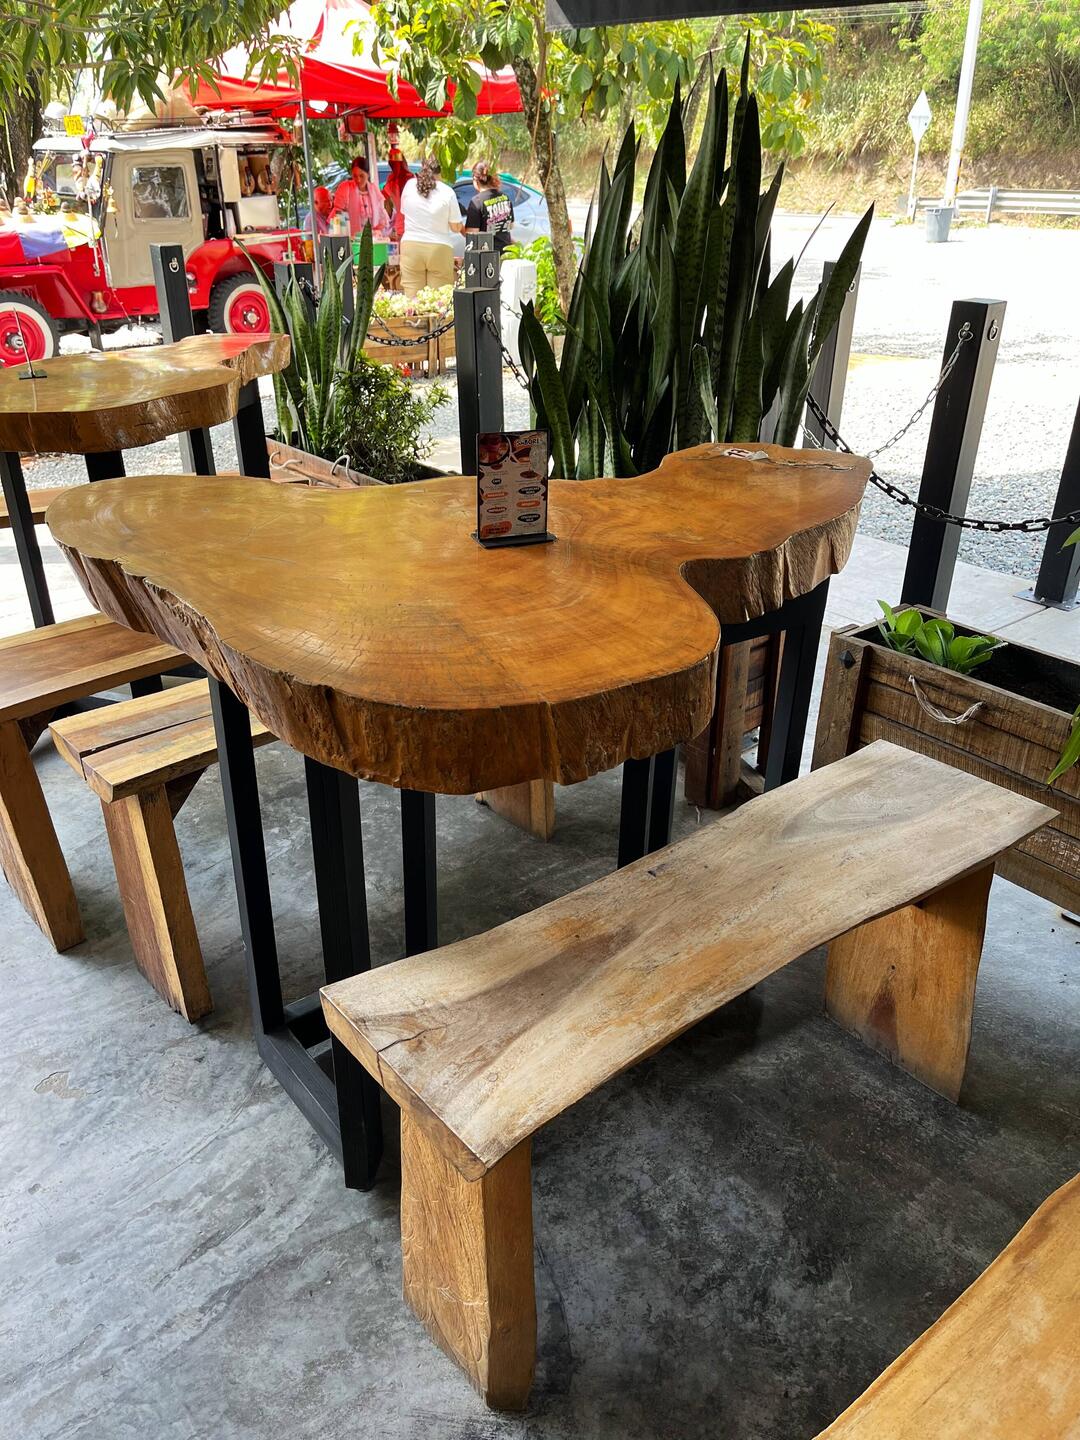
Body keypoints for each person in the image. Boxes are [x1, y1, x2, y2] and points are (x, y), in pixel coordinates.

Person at [399, 156, 462, 298]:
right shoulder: (447, 191)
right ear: (441, 172)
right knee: (439, 300)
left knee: (412, 300)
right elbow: (455, 227)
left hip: (411, 247)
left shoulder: (409, 186)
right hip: (439, 249)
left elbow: (404, 212)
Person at [332, 155, 389, 240]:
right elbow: (338, 216)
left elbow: (381, 220)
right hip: (351, 239)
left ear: (368, 174)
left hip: (370, 240)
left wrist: (375, 233)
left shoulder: (375, 191)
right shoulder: (345, 189)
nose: (358, 180)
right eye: (355, 176)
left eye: (362, 176)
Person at [464, 162, 514, 253]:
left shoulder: (476, 202)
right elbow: (510, 225)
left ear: (475, 180)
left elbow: (472, 234)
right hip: (506, 253)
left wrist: (460, 228)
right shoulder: (505, 197)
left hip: (487, 257)